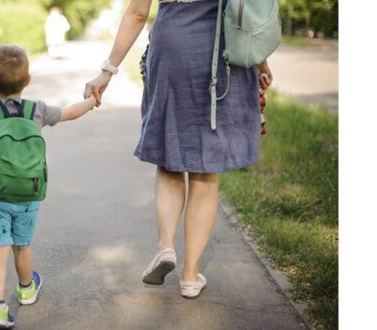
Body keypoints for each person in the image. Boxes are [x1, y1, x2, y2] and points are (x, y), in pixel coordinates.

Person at [83, 0, 274, 299]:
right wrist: (260, 60)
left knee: (170, 158)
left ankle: (165, 246)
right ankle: (189, 276)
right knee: (205, 171)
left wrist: (106, 72)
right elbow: (248, 9)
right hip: (222, 49)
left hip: (172, 44)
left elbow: (137, 13)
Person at [0, 45, 97, 330]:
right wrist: (92, 100)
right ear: (27, 80)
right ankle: (27, 289)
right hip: (28, 194)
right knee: (23, 245)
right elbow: (69, 113)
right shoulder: (36, 110)